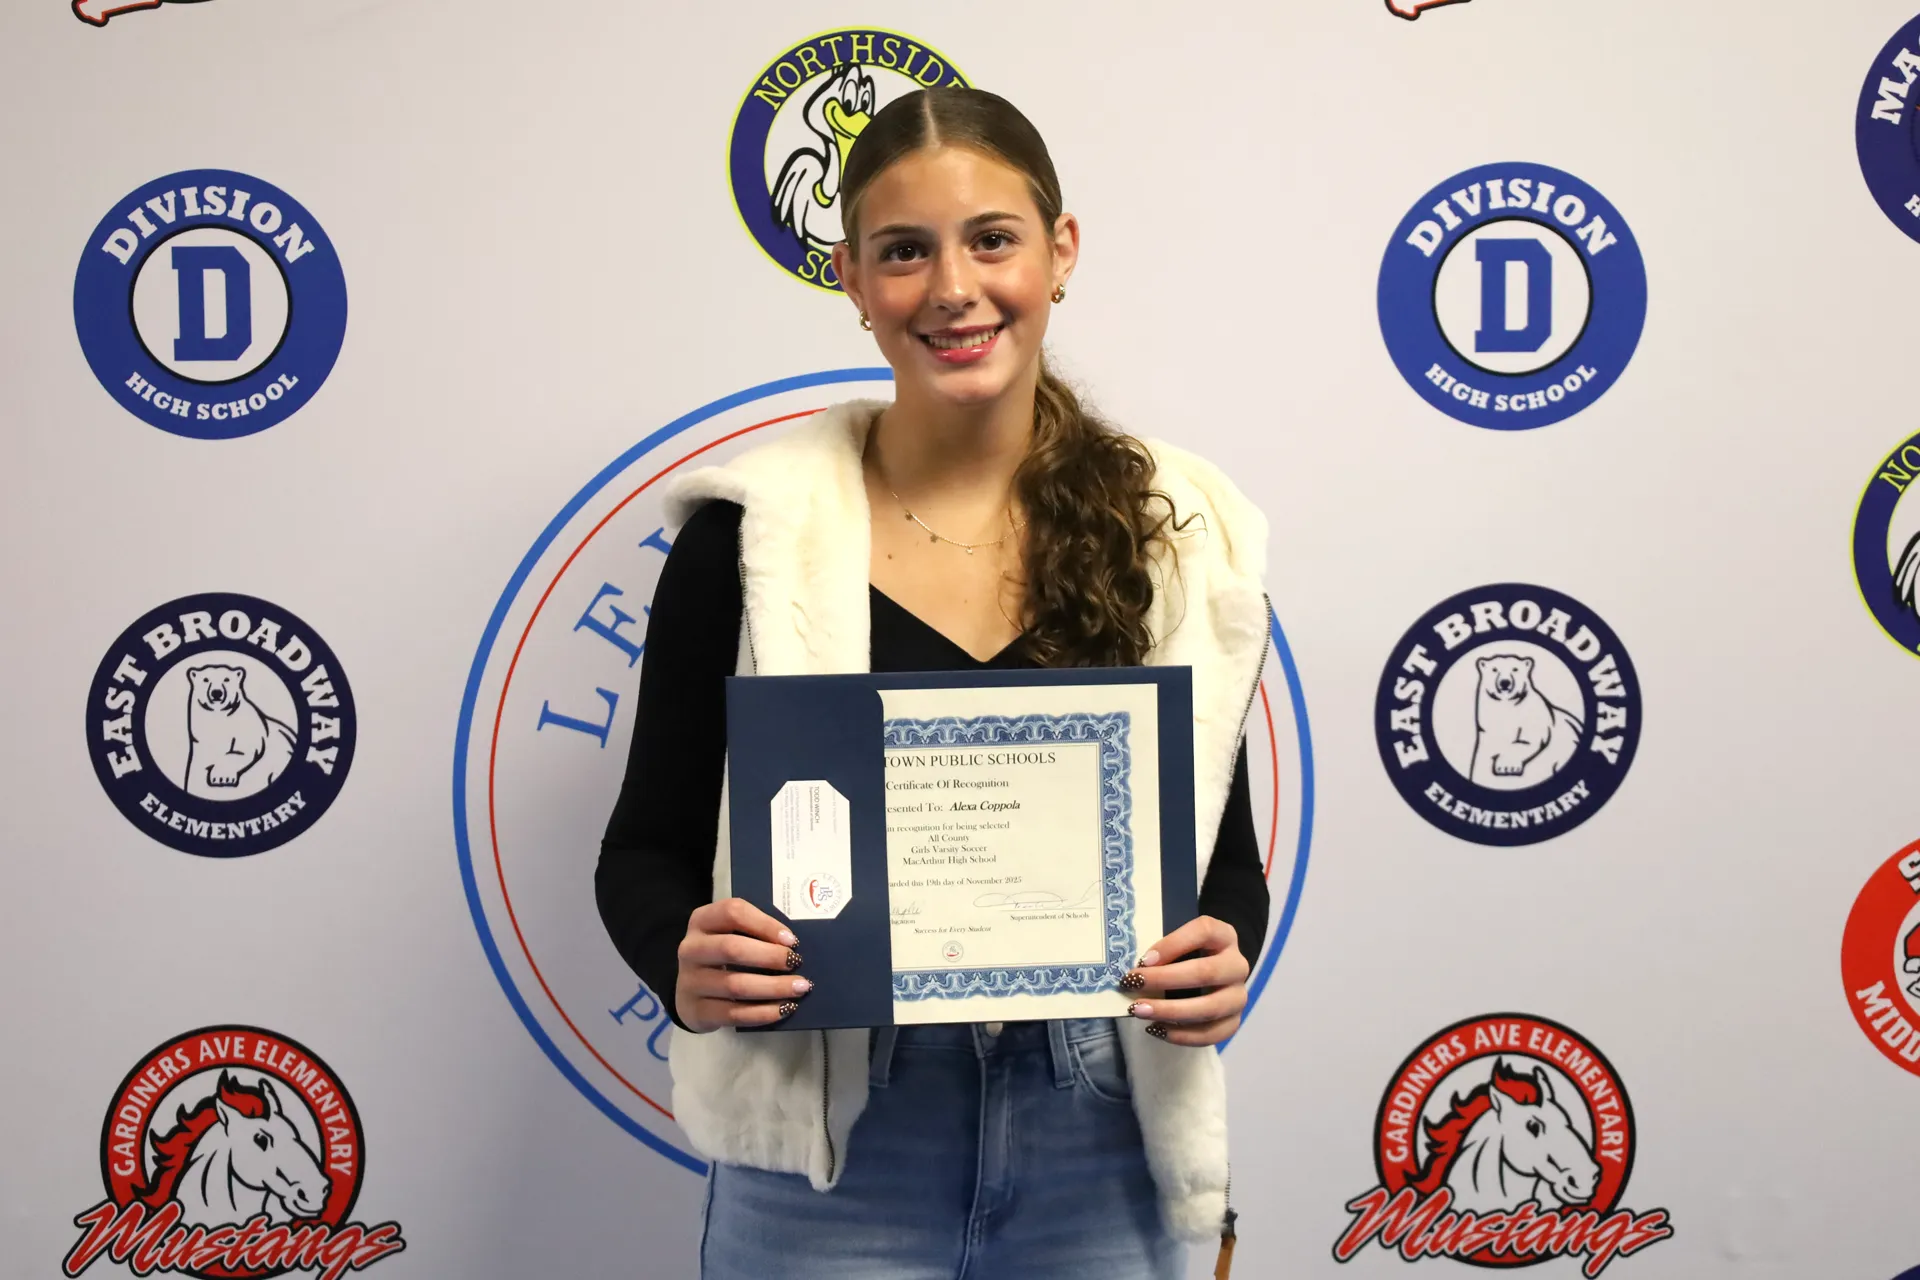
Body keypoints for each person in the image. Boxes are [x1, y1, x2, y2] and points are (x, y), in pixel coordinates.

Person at [596, 86, 1272, 1280]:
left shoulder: (1171, 531)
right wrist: (683, 960)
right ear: (854, 280)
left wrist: (1223, 954)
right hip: (833, 1157)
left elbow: (1220, 859)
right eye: (905, 250)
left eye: (992, 239)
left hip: (1099, 1130)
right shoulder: (748, 537)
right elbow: (643, 850)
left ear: (1060, 252)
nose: (954, 287)